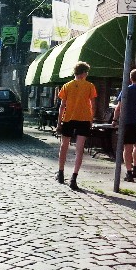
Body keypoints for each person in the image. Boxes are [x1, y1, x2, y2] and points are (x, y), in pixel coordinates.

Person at [56, 61, 97, 190]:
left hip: (69, 118)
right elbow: (93, 105)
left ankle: (61, 173)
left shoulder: (67, 86)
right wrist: (91, 119)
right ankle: (74, 177)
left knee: (64, 146)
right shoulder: (90, 86)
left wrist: (59, 122)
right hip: (84, 119)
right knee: (80, 149)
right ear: (84, 73)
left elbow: (62, 106)